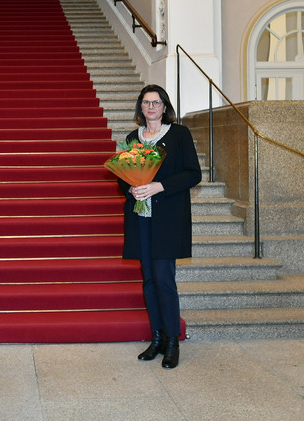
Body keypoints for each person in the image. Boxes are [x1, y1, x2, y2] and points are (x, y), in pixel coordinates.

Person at [118, 84, 201, 369]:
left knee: (165, 279)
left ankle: (172, 341)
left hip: (167, 219)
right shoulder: (133, 138)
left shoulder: (179, 135)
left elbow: (193, 174)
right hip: (140, 218)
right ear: (140, 108)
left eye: (156, 102)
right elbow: (122, 178)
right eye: (145, 103)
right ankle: (156, 339)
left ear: (165, 106)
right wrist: (131, 188)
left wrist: (158, 186)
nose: (151, 107)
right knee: (149, 280)